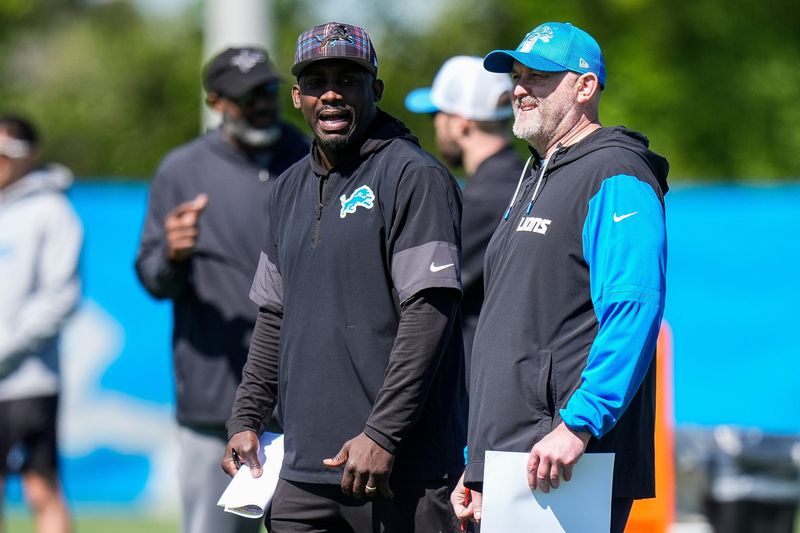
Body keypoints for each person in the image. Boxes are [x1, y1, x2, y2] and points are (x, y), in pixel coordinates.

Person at [222, 22, 467, 533]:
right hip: (302, 472)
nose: (331, 94)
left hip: (400, 469)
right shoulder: (288, 187)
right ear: (297, 97)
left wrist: (382, 434)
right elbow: (274, 315)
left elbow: (430, 317)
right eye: (316, 82)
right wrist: (247, 416)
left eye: (348, 80)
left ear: (375, 89)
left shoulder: (414, 176)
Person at [450, 22, 669, 533]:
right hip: (512, 458)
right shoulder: (537, 174)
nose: (520, 89)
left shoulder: (616, 173)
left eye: (539, 76)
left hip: (568, 460)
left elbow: (634, 306)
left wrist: (579, 423)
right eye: (517, 76)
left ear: (585, 86)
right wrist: (478, 459)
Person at [135, 46, 308, 533]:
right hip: (217, 400)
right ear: (216, 101)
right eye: (247, 95)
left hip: (306, 397)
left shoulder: (310, 154)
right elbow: (152, 278)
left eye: (268, 90)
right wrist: (173, 255)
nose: (262, 103)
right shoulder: (182, 170)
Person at [404, 55, 524, 366]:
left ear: (460, 124)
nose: (435, 125)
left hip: (482, 377)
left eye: (436, 115)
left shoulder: (482, 202)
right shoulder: (528, 183)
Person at [0, 115, 81, 533]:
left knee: (40, 486)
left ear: (29, 155)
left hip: (29, 381)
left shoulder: (52, 211)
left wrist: (6, 351)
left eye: (5, 151)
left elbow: (60, 297)